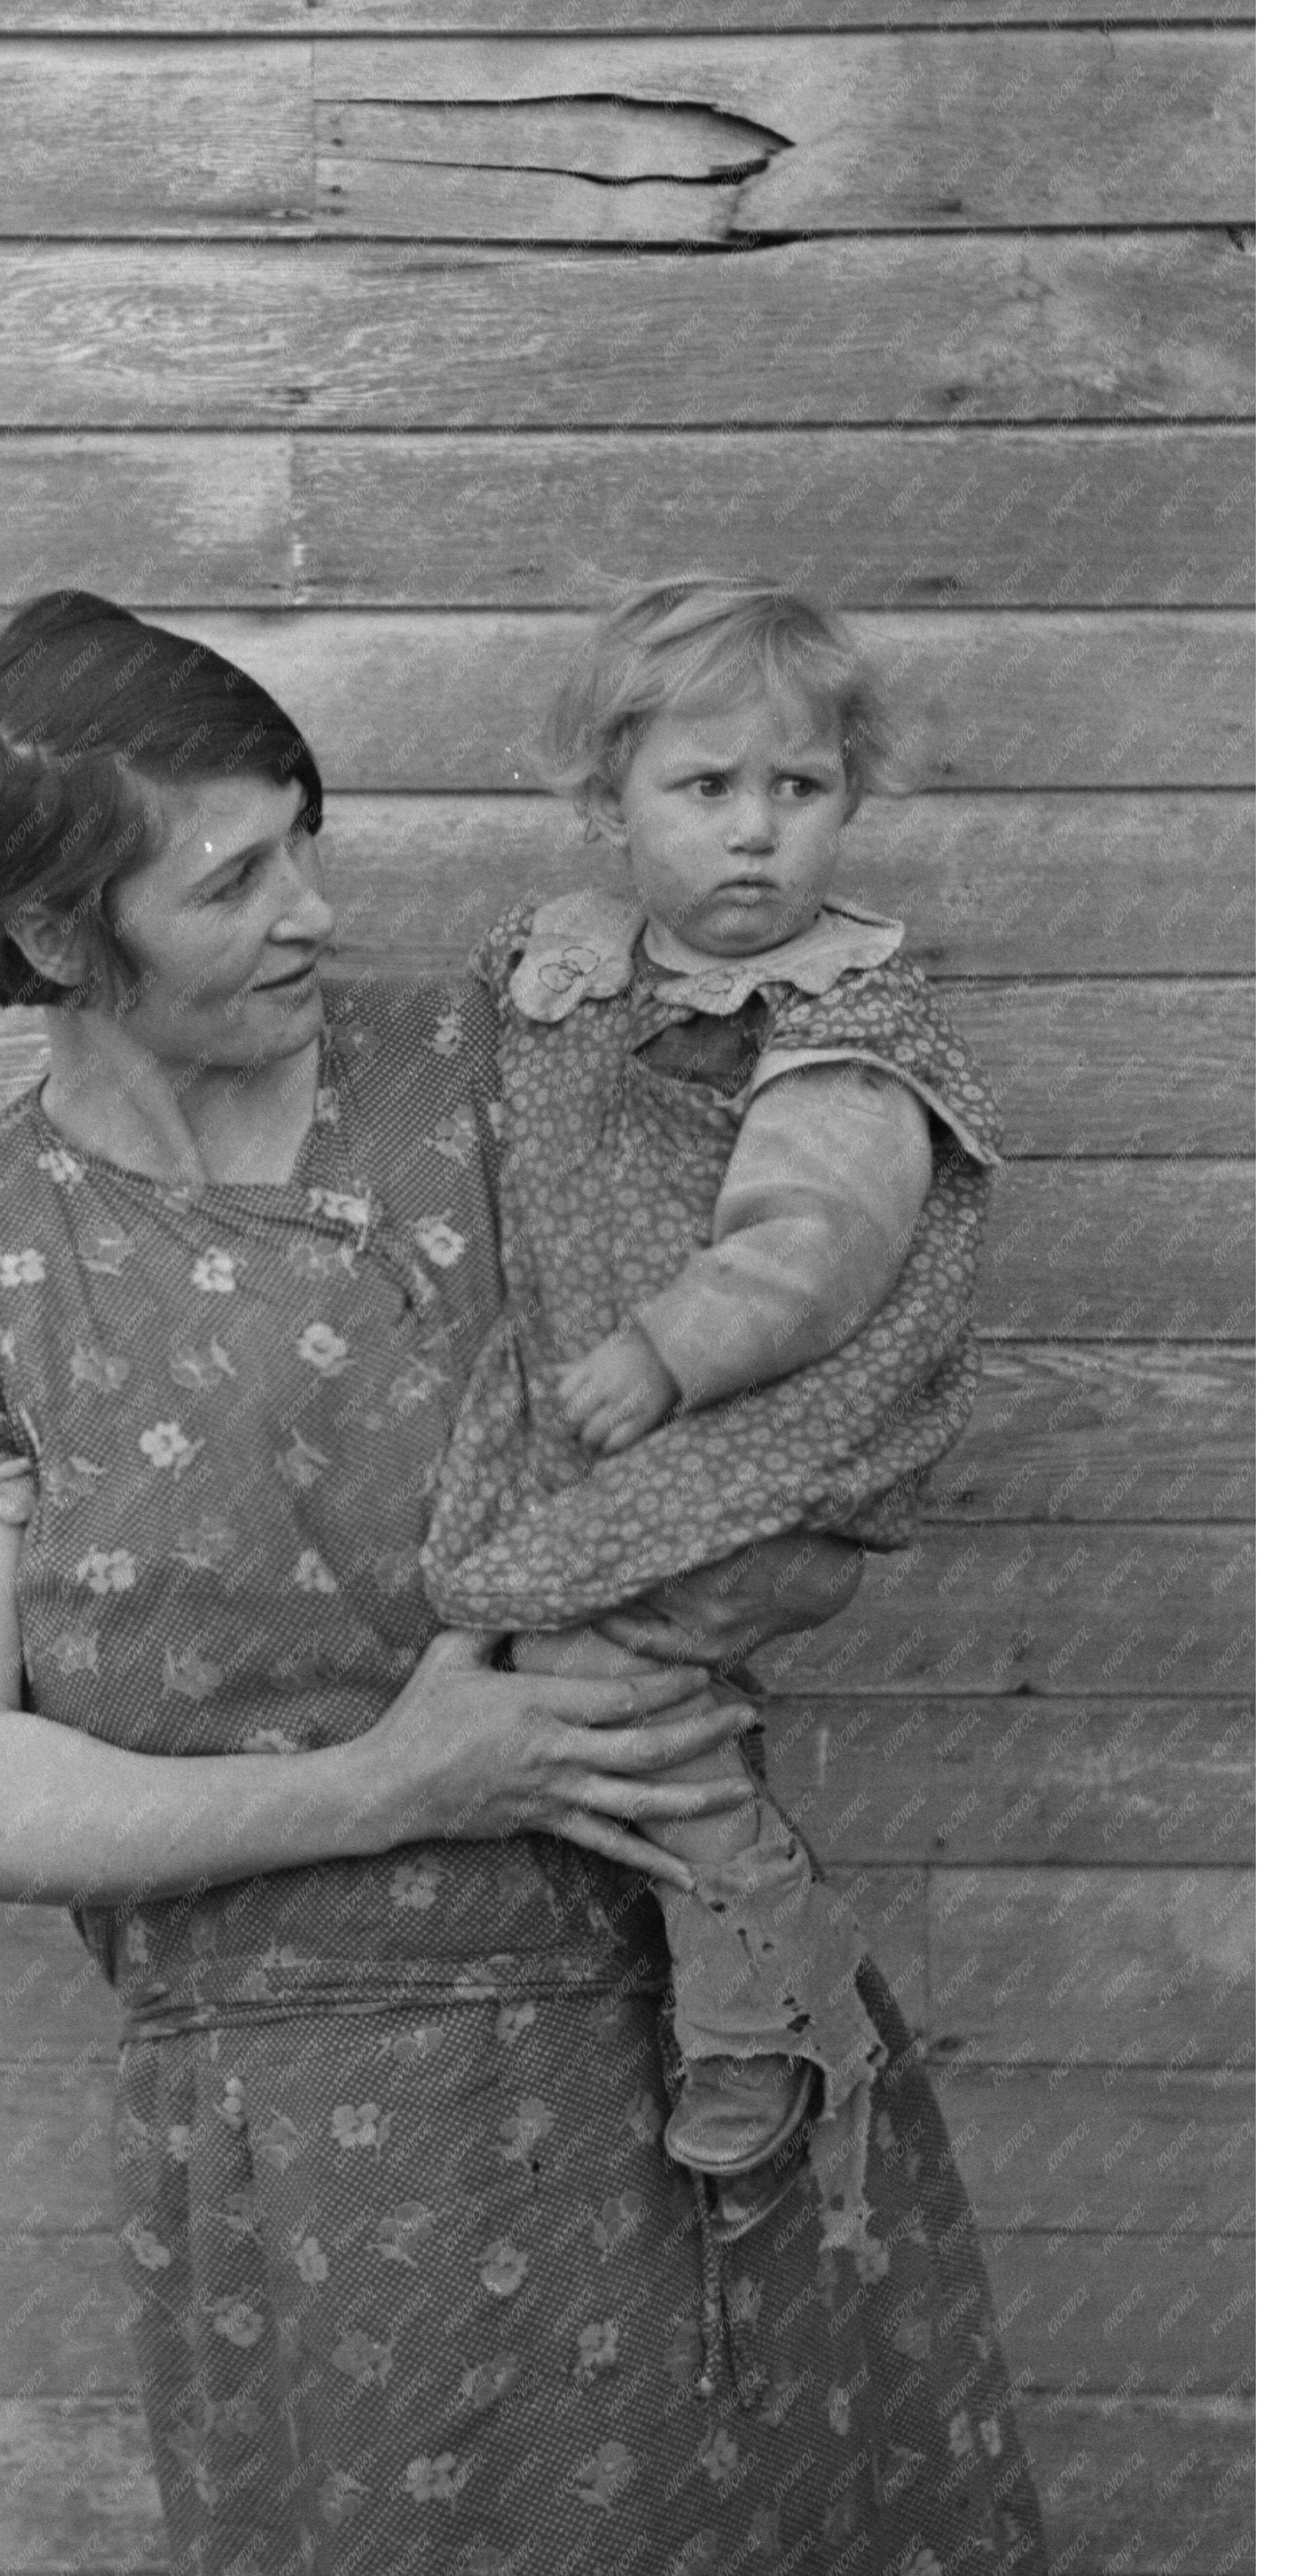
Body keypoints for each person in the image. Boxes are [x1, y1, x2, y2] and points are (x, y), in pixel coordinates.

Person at [0, 588, 1046, 2576]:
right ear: (59, 936)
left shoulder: (508, 1057)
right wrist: (409, 1772)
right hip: (310, 2144)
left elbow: (819, 1243)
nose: (312, 908)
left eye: (305, 840)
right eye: (235, 880)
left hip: (680, 2035)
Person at [422, 579, 1002, 2252]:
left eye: (798, 789)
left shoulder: (848, 1023)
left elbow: (812, 1247)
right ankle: (690, 1927)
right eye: (706, 788)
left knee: (606, 1682)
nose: (757, 832)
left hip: (772, 1445)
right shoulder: (567, 969)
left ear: (847, 801)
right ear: (607, 807)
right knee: (538, 1649)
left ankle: (756, 1962)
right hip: (622, 1430)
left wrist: (671, 1351)